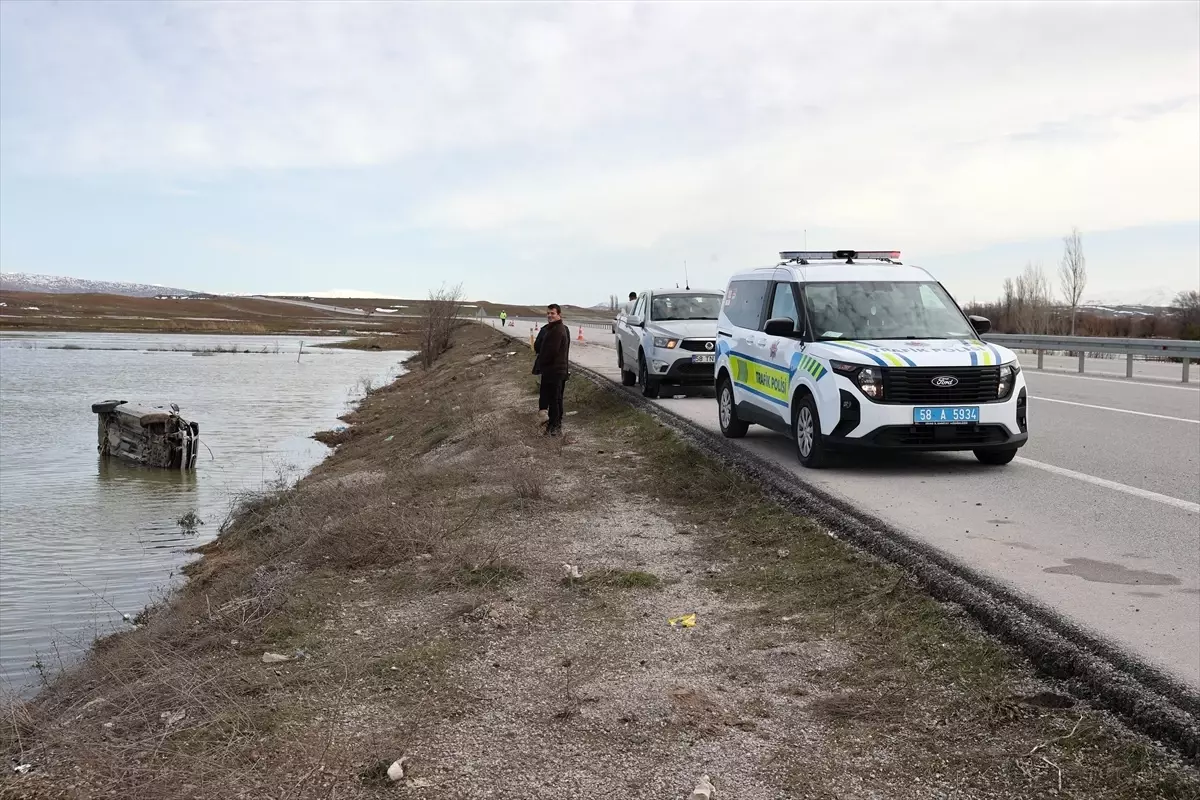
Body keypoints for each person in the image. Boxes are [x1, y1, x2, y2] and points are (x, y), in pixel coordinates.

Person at [537, 304, 571, 436]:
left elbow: (551, 351)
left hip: (555, 370)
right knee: (554, 399)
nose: (550, 315)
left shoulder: (557, 330)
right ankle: (553, 426)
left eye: (552, 313)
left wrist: (543, 362)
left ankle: (555, 428)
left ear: (559, 314)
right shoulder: (552, 328)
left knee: (555, 400)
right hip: (555, 369)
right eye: (548, 313)